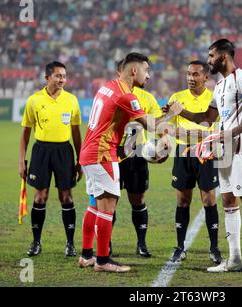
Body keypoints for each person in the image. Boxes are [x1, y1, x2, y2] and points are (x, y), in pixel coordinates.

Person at [167, 39, 242, 276]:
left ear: (223, 56)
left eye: (212, 56)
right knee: (228, 202)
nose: (209, 60)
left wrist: (229, 134)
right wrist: (180, 111)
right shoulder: (221, 85)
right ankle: (234, 259)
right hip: (224, 150)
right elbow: (207, 116)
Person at [78, 52, 174, 273]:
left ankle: (86, 255)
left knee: (94, 204)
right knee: (107, 206)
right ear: (134, 70)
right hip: (103, 154)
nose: (148, 76)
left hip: (89, 152)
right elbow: (152, 126)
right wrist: (171, 115)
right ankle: (102, 261)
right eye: (146, 70)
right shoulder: (126, 95)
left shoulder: (107, 86)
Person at [19, 61, 82, 257]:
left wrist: (80, 159)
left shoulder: (71, 100)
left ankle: (70, 244)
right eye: (58, 76)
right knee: (40, 196)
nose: (62, 79)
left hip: (64, 151)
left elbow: (76, 132)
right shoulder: (34, 100)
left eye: (64, 76)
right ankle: (36, 242)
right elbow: (25, 133)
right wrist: (22, 160)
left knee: (66, 196)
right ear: (47, 77)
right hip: (41, 151)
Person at [167, 60, 222, 265]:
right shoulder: (176, 98)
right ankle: (180, 247)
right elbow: (166, 125)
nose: (191, 78)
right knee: (183, 201)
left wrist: (198, 135)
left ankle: (214, 248)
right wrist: (177, 132)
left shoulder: (214, 99)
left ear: (205, 77)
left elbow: (217, 130)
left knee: (209, 200)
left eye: (196, 74)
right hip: (182, 153)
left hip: (206, 153)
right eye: (189, 74)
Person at [116, 60, 163, 258]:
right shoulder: (114, 93)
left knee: (138, 199)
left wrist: (164, 144)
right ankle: (105, 245)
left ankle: (141, 244)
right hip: (114, 152)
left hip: (137, 153)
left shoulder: (147, 98)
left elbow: (159, 125)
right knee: (109, 200)